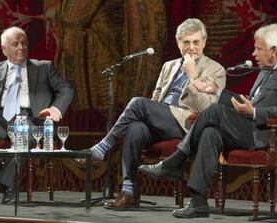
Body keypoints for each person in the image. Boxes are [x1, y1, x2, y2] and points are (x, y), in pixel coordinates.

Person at [139, 23, 277, 218]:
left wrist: (255, 112)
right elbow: (248, 103)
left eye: (258, 49)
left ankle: (176, 161)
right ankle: (198, 202)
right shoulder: (266, 69)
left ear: (274, 50)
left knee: (213, 110)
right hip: (254, 129)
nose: (254, 54)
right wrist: (217, 91)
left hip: (274, 136)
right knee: (210, 133)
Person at [76, 18, 226, 209]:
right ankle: (128, 191)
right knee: (135, 128)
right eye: (186, 42)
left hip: (186, 125)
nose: (191, 47)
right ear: (178, 43)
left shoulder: (216, 70)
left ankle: (102, 148)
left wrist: (192, 75)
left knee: (138, 103)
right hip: (161, 119)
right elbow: (156, 98)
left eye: (196, 42)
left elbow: (208, 109)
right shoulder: (169, 66)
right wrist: (151, 113)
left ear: (204, 43)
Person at [0, 26, 74, 204]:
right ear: (4, 48)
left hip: (27, 119)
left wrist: (55, 109)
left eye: (24, 43)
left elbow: (66, 89)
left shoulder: (43, 68)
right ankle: (6, 185)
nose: (21, 47)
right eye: (15, 44)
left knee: (26, 139)